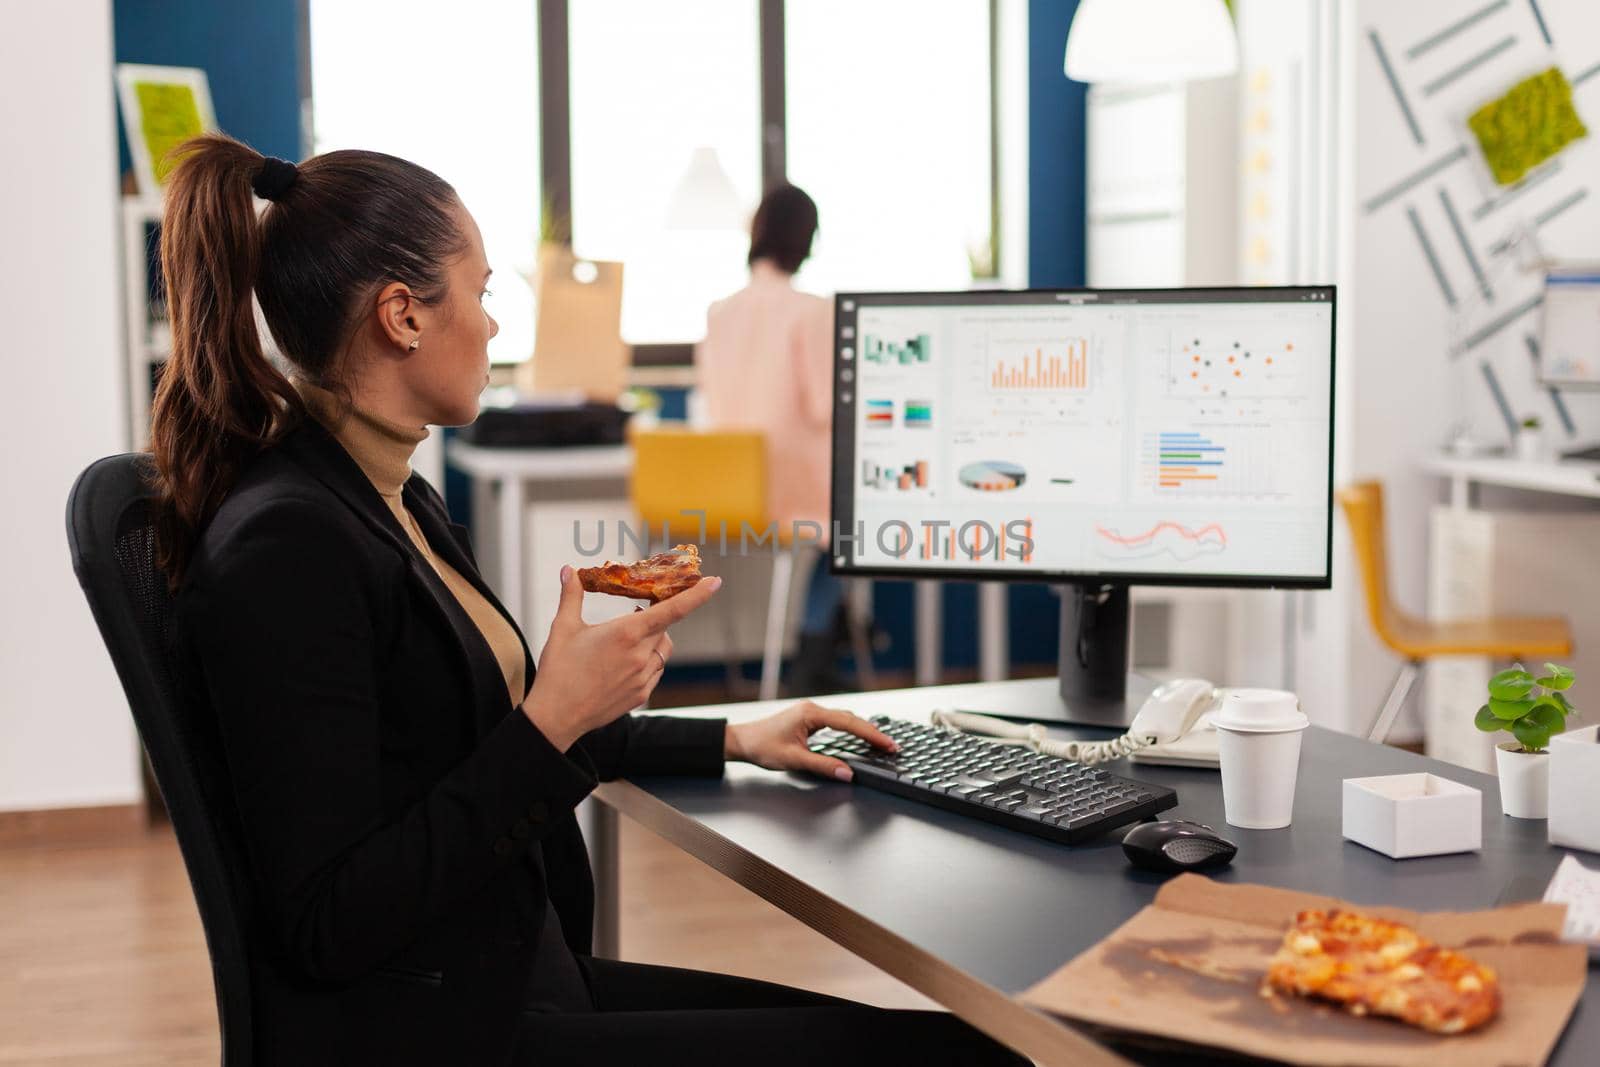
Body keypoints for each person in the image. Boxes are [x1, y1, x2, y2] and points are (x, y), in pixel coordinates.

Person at [148, 134, 1023, 1067]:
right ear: (402, 315)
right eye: (483, 295)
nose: (491, 326)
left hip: (513, 974)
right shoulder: (290, 547)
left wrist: (736, 736)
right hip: (445, 1029)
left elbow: (485, 735)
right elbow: (329, 920)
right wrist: (552, 715)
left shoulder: (390, 496)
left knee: (960, 1043)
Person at [695, 183, 847, 694]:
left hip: (730, 492)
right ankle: (816, 648)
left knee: (834, 524)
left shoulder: (719, 311)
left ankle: (823, 643)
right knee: (854, 522)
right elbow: (826, 407)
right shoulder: (813, 310)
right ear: (807, 239)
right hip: (792, 491)